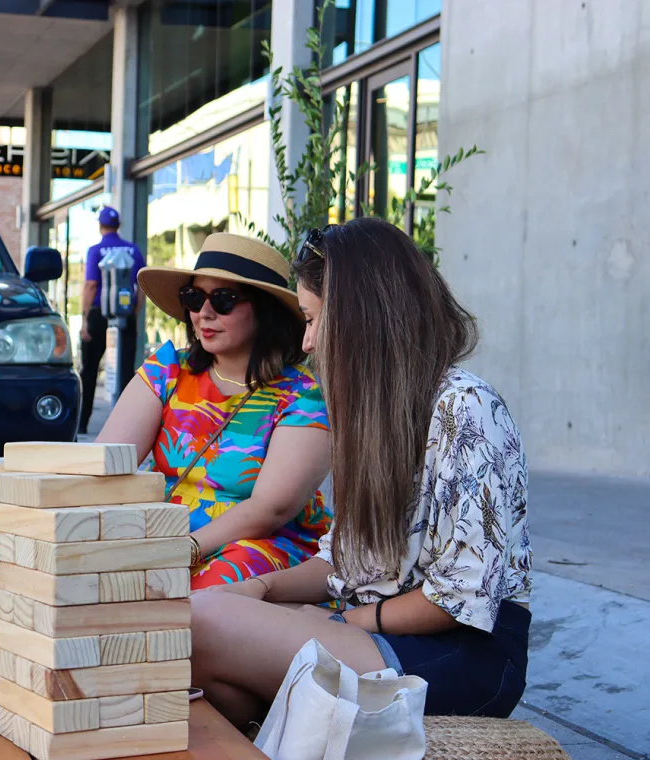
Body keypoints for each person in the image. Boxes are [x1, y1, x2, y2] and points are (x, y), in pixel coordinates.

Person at [191, 218, 532, 727]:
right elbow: (342, 560)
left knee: (199, 622)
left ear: (359, 317)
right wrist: (261, 590)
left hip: (463, 654)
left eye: (311, 319)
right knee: (213, 664)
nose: (306, 342)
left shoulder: (465, 407)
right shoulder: (372, 414)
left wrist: (337, 620)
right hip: (380, 629)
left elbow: (459, 599)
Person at [97, 233, 332, 589]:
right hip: (160, 534)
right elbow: (103, 464)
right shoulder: (167, 371)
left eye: (223, 300)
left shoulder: (302, 395)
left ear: (265, 310)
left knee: (218, 583)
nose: (203, 313)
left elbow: (270, 511)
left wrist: (184, 550)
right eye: (194, 297)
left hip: (255, 545)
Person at [78, 206, 146, 434]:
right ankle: (124, 428)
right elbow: (142, 286)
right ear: (118, 225)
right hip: (125, 315)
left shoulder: (96, 251)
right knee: (125, 372)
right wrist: (134, 315)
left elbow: (90, 285)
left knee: (89, 371)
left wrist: (85, 321)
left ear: (100, 225)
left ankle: (82, 424)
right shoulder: (133, 250)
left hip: (99, 314)